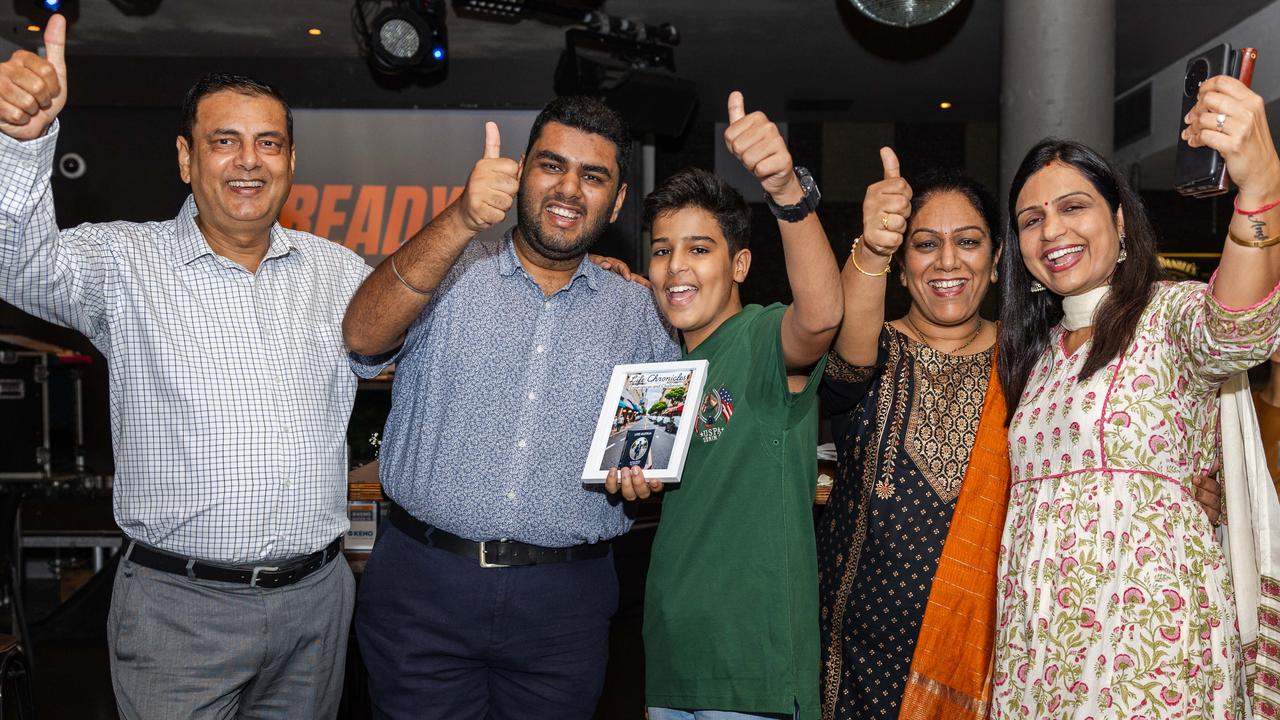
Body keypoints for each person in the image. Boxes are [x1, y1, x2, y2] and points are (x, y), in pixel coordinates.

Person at [0, 17, 368, 720]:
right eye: (223, 141)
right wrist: (24, 144)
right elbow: (16, 265)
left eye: (268, 143)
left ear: (291, 161)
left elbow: (421, 325)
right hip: (178, 614)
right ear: (184, 158)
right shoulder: (122, 264)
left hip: (316, 609)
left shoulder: (340, 272)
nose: (248, 161)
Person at [341, 96, 677, 720]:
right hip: (423, 588)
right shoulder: (445, 271)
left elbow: (647, 454)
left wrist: (642, 480)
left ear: (619, 201)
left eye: (594, 176)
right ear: (521, 171)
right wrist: (462, 218)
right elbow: (361, 336)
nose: (570, 189)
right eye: (552, 165)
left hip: (565, 606)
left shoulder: (641, 314)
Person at [993, 74, 1280, 717]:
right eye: (1031, 220)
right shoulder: (1029, 359)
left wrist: (1259, 192)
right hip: (1037, 651)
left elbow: (1237, 332)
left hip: (1152, 649)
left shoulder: (1169, 315)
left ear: (1120, 221)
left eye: (1074, 207)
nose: (1052, 232)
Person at [614, 91, 842, 720]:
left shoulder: (762, 337)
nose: (675, 266)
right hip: (672, 661)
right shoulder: (661, 376)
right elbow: (666, 488)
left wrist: (786, 192)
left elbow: (821, 316)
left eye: (698, 248)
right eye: (661, 250)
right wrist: (631, 483)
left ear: (740, 263)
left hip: (754, 675)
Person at [816, 153, 1008, 720]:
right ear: (901, 267)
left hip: (984, 660)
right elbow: (844, 364)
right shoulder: (871, 353)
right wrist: (872, 245)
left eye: (969, 242)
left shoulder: (1032, 361)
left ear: (996, 261)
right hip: (856, 664)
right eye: (925, 244)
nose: (947, 261)